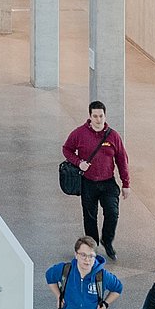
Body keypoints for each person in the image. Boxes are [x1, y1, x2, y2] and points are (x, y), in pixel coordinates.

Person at [63, 100, 131, 260]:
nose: (98, 119)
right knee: (90, 216)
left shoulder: (113, 136)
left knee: (112, 213)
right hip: (88, 182)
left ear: (105, 116)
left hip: (108, 183)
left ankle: (107, 241)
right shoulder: (79, 133)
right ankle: (91, 246)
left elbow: (122, 160)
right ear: (90, 116)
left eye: (101, 116)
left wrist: (126, 183)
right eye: (95, 116)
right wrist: (79, 162)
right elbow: (67, 149)